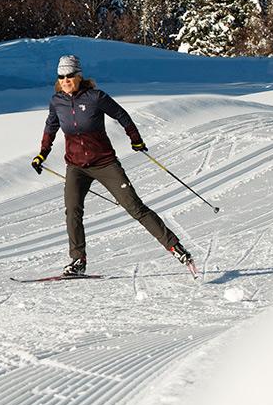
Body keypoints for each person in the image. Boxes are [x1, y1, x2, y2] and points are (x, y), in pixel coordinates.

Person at [32, 53, 192, 277]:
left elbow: (122, 115)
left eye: (70, 75)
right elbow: (51, 128)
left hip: (105, 163)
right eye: (61, 76)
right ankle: (78, 260)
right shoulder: (57, 102)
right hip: (76, 167)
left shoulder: (95, 97)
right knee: (72, 211)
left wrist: (135, 139)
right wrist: (42, 155)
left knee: (135, 208)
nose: (66, 80)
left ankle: (175, 246)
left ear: (79, 76)